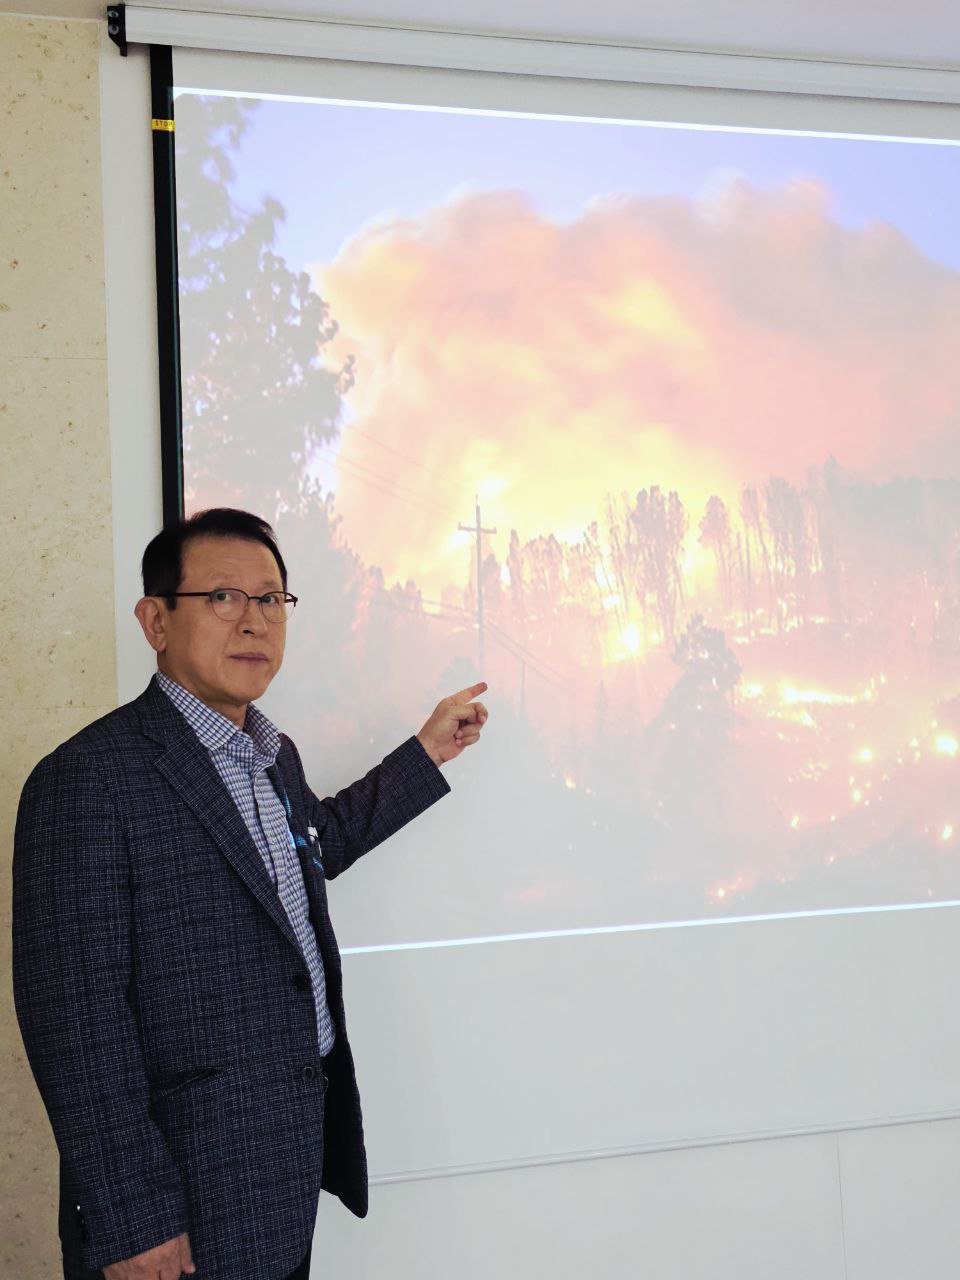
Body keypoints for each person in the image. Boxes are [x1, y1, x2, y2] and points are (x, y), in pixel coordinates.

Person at [12, 508, 488, 1280]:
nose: (255, 621)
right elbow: (75, 1023)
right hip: (180, 1196)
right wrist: (134, 1219)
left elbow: (314, 848)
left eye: (272, 600)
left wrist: (425, 754)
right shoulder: (87, 779)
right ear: (155, 620)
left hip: (280, 1167)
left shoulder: (271, 755)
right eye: (224, 597)